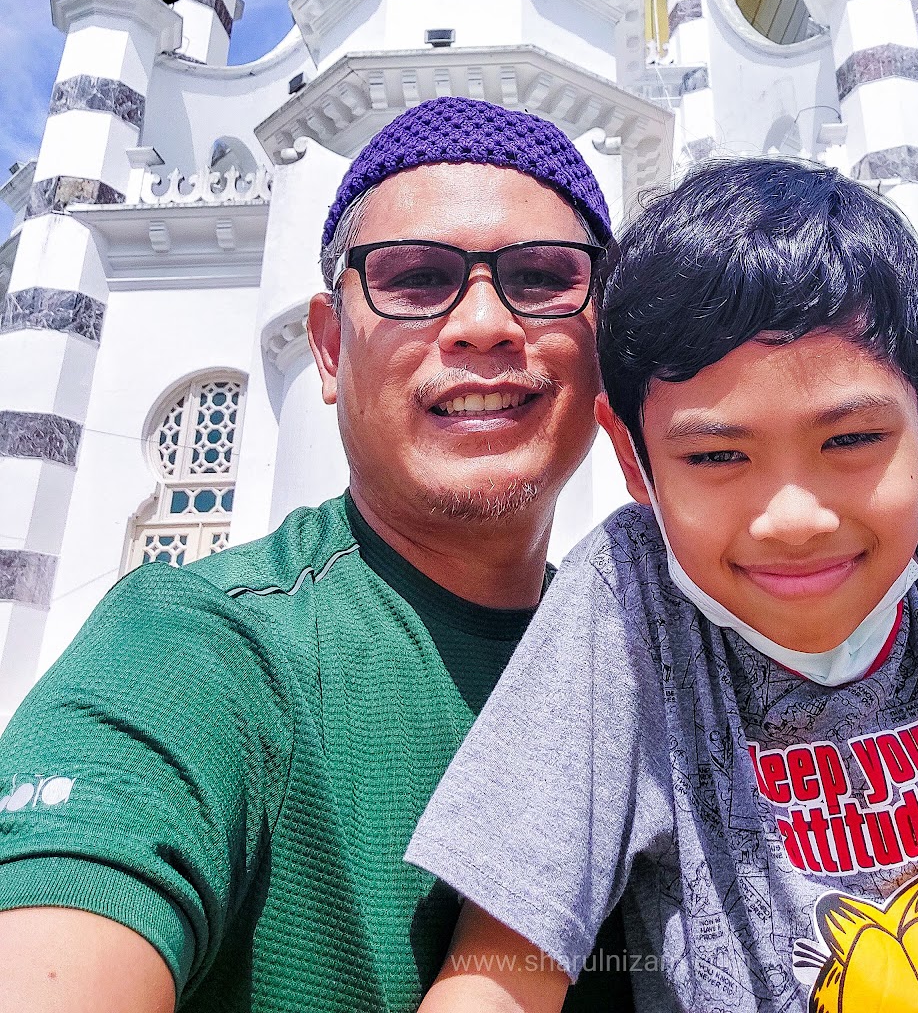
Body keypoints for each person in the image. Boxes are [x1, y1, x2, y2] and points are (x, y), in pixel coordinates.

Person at [407, 158, 918, 1013]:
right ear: (633, 457)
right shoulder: (628, 596)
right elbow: (500, 968)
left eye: (851, 440)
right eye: (716, 456)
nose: (793, 518)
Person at [0, 97, 632, 1013]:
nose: (485, 324)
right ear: (330, 348)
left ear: (602, 343)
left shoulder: (653, 665)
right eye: (415, 279)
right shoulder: (198, 648)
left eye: (542, 278)